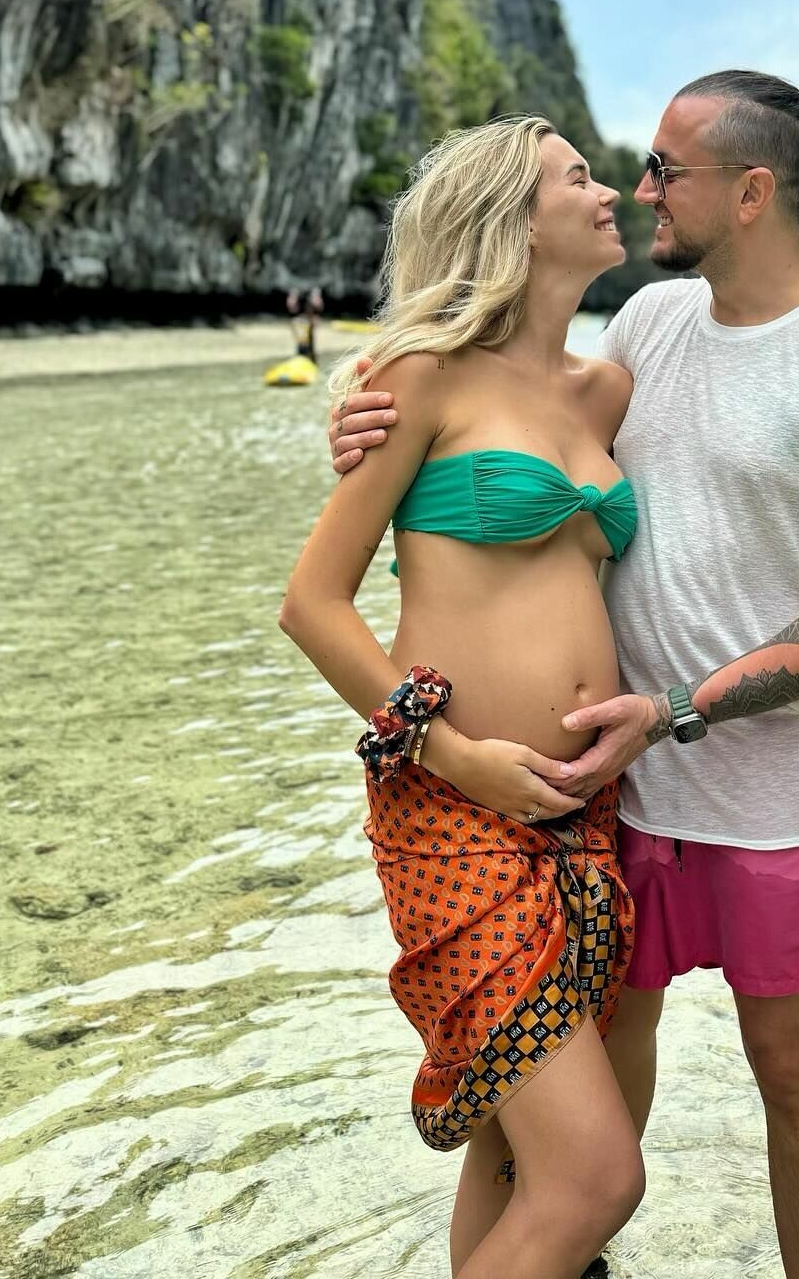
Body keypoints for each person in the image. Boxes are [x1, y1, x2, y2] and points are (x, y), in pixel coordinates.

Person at [334, 70, 799, 1278]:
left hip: (775, 794)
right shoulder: (650, 330)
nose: (641, 186)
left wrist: (675, 710)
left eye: (669, 169)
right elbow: (511, 429)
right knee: (559, 1085)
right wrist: (369, 430)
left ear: (752, 192)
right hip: (604, 794)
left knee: (794, 1071)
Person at [280, 116, 649, 1279]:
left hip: (584, 811)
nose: (610, 192)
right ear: (511, 223)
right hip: (455, 810)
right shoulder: (420, 378)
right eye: (578, 178)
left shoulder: (608, 391)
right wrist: (455, 756)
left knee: (512, 1151)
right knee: (597, 1179)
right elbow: (313, 605)